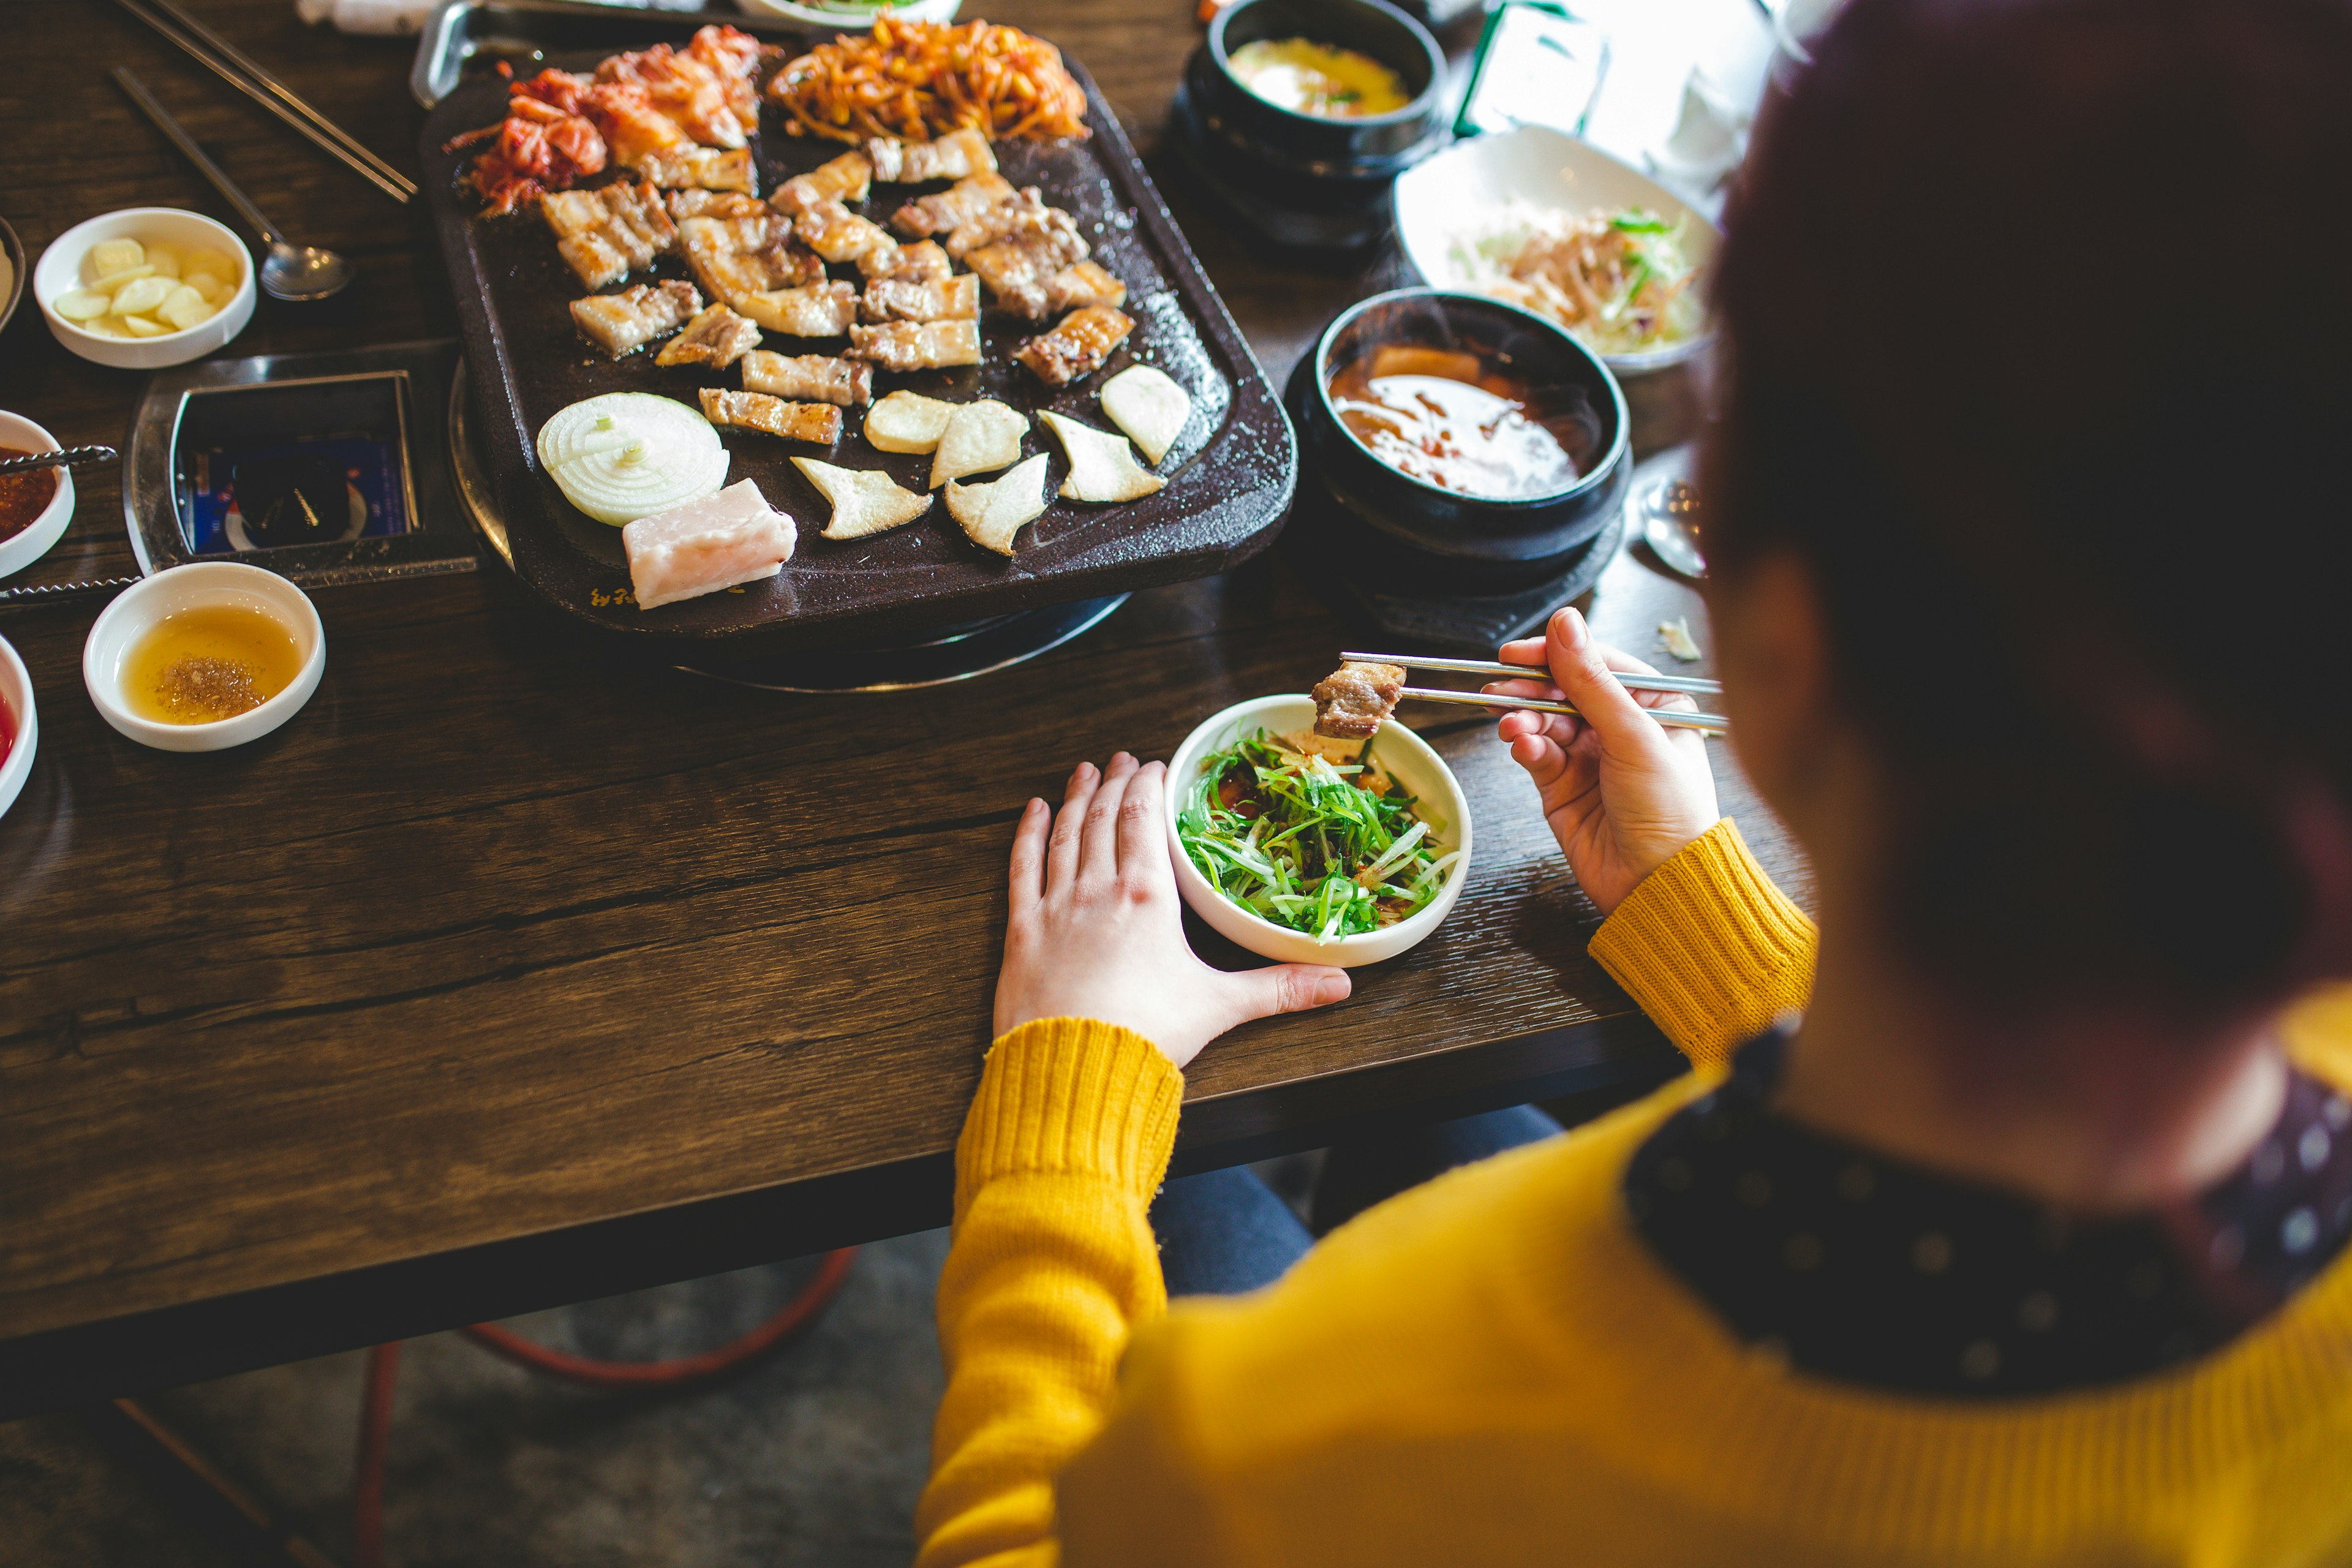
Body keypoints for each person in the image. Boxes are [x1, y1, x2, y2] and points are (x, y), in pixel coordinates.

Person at [914, 0, 2352, 1561]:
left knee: (1206, 1204)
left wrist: (1065, 1110)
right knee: (1436, 1133)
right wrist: (1707, 917)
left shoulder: (1308, 1421)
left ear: (1780, 649)